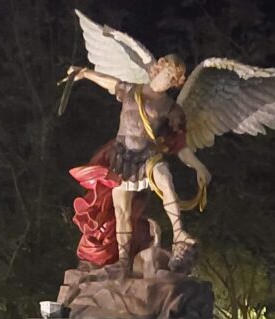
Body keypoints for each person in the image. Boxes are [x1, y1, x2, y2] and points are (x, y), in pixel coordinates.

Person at [69, 56, 211, 269]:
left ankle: (178, 232)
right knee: (121, 211)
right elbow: (110, 83)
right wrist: (85, 73)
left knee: (164, 177)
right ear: (158, 70)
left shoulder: (170, 108)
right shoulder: (132, 90)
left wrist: (199, 166)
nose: (168, 80)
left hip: (148, 156)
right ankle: (123, 261)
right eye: (167, 73)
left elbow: (179, 146)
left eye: (173, 78)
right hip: (122, 157)